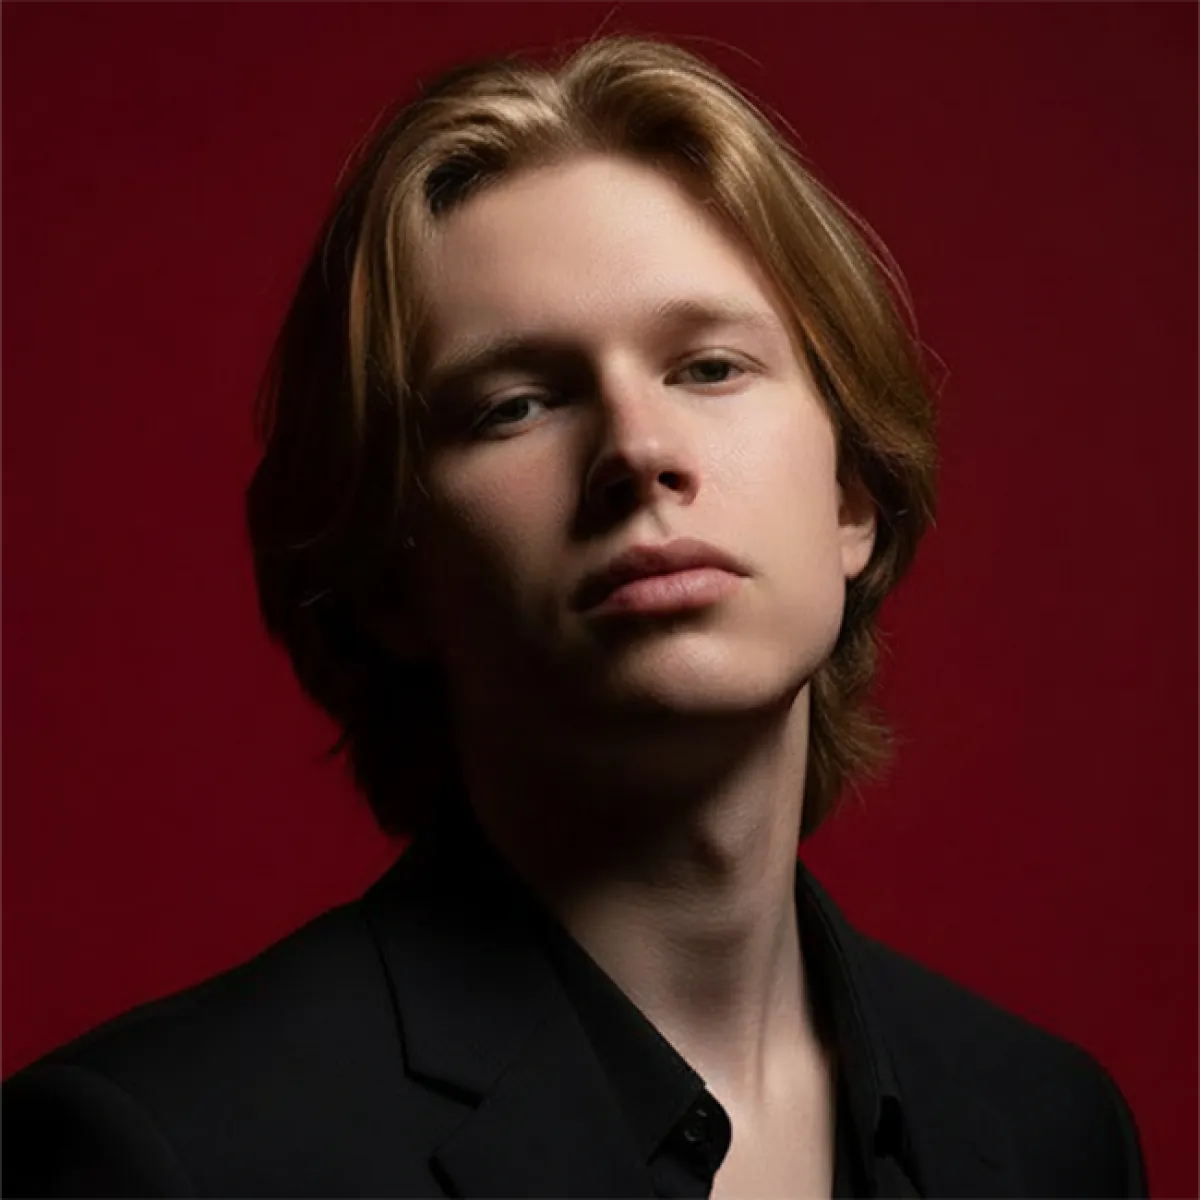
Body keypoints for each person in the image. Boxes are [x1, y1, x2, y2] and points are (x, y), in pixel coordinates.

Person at [0, 31, 1148, 1200]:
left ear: (852, 495)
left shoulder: (1053, 1133)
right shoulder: (165, 1158)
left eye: (708, 367)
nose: (638, 449)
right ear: (391, 578)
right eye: (516, 404)